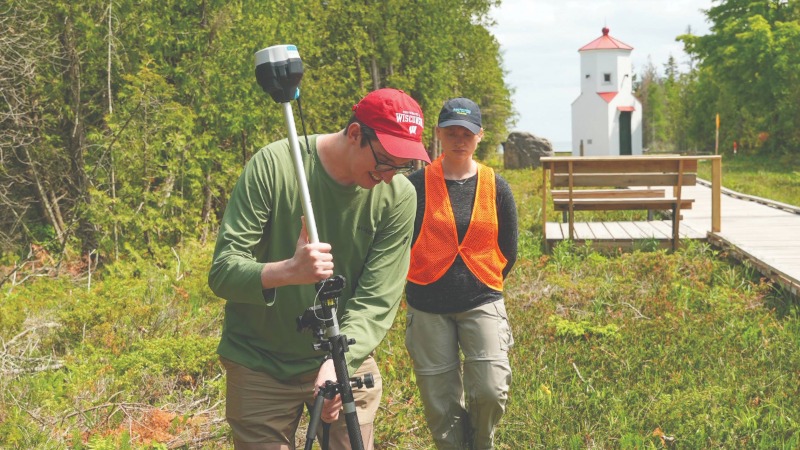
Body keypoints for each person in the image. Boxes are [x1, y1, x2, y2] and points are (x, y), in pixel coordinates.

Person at [208, 88, 430, 450]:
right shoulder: (275, 165)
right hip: (259, 361)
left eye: (403, 165)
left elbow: (377, 300)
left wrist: (338, 360)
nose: (391, 175)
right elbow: (222, 270)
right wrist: (287, 271)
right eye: (387, 160)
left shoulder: (399, 197)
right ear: (356, 133)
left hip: (344, 353)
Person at [404, 98, 518, 450]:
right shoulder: (414, 185)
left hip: (481, 299)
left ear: (479, 136)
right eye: (451, 131)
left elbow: (508, 251)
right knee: (440, 402)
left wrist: (477, 277)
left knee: (490, 389)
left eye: (466, 133)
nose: (459, 139)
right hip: (426, 305)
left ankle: (480, 444)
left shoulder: (496, 186)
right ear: (438, 134)